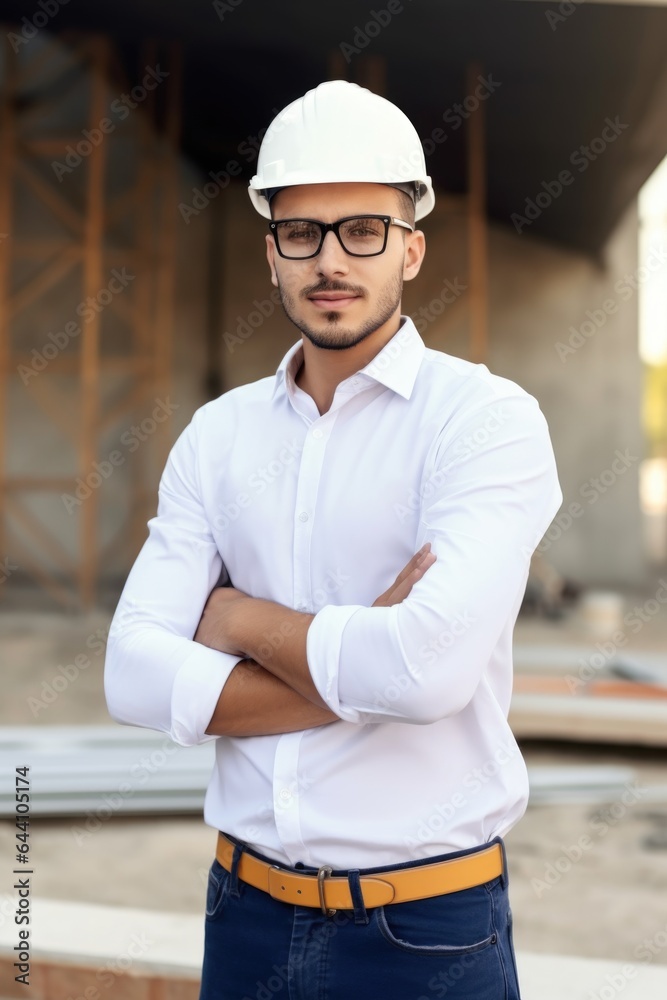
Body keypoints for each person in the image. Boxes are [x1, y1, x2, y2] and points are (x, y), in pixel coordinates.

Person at [104, 79, 562, 999]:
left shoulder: (484, 423)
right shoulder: (219, 435)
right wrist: (360, 657)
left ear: (411, 249)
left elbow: (426, 674)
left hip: (427, 932)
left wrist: (235, 618)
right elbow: (130, 672)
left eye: (364, 230)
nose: (330, 259)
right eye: (301, 232)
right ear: (271, 252)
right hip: (244, 916)